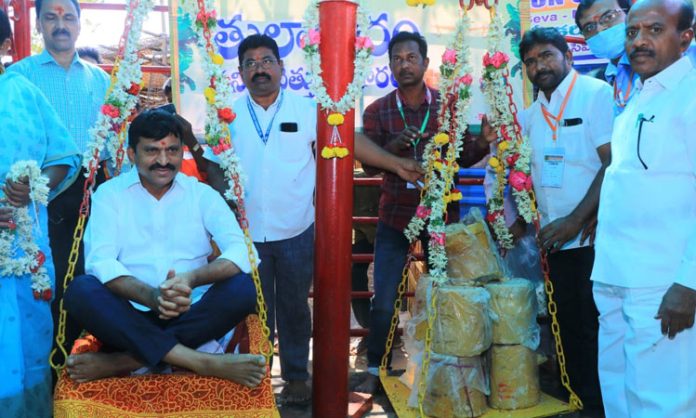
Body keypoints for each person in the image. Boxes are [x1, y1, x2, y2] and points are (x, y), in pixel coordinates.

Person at [204, 34, 424, 405]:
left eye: (267, 61)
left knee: (293, 309)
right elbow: (212, 166)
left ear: (281, 67)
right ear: (240, 72)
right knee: (255, 312)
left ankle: (294, 378)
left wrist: (397, 164)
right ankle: (256, 381)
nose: (259, 69)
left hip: (296, 229)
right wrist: (224, 220)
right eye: (250, 63)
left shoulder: (309, 110)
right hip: (244, 235)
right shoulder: (226, 114)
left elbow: (349, 142)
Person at [62, 109, 267, 387]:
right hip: (130, 312)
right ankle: (200, 361)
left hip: (191, 308)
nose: (163, 160)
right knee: (81, 290)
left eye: (172, 150)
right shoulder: (109, 195)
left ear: (182, 151)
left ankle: (125, 361)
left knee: (244, 286)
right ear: (132, 154)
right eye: (151, 151)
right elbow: (101, 261)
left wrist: (191, 279)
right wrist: (151, 296)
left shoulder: (201, 194)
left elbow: (244, 252)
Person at [356, 31, 493, 393]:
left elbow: (464, 157)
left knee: (446, 292)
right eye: (397, 59)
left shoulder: (448, 106)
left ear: (425, 63)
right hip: (395, 216)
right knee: (384, 297)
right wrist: (390, 148)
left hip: (440, 217)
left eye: (411, 57)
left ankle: (449, 367)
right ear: (389, 67)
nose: (404, 64)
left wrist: (483, 141)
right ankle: (376, 369)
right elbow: (369, 167)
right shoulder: (377, 110)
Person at [591, 0, 696, 416]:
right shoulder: (637, 95)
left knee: (660, 402)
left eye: (654, 30)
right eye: (633, 32)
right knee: (618, 395)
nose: (639, 41)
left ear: (686, 36)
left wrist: (689, 281)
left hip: (662, 283)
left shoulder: (689, 98)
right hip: (615, 277)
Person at [516, 27, 614, 417]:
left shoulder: (596, 95)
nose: (538, 66)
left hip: (594, 239)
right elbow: (518, 170)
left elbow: (613, 164)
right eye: (530, 62)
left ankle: (599, 406)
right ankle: (578, 401)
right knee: (567, 328)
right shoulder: (530, 114)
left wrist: (580, 218)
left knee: (596, 330)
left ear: (566, 56)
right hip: (553, 243)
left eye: (546, 56)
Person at [7, 0, 111, 361]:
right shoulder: (19, 78)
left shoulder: (102, 80)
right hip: (42, 200)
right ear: (38, 25)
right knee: (52, 286)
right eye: (50, 17)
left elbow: (114, 151)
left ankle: (95, 370)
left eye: (68, 17)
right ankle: (54, 370)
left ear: (80, 24)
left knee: (100, 280)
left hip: (96, 193)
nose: (60, 24)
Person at [0, 10, 80, 416]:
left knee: (30, 337)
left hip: (24, 244)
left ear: (5, 46)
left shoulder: (22, 91)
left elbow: (63, 156)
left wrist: (34, 183)